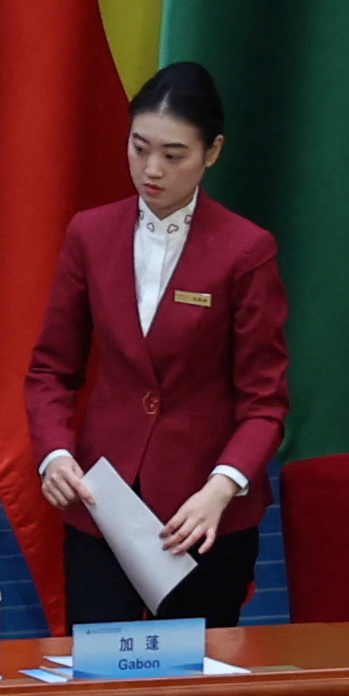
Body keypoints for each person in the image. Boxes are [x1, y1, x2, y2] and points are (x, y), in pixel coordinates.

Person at [23, 61, 290, 627]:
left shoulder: (246, 250)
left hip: (203, 509)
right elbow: (50, 369)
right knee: (98, 675)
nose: (151, 170)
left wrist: (222, 488)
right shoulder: (89, 235)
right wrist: (54, 452)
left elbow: (265, 404)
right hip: (103, 503)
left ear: (212, 152)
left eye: (174, 156)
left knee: (194, 686)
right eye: (139, 147)